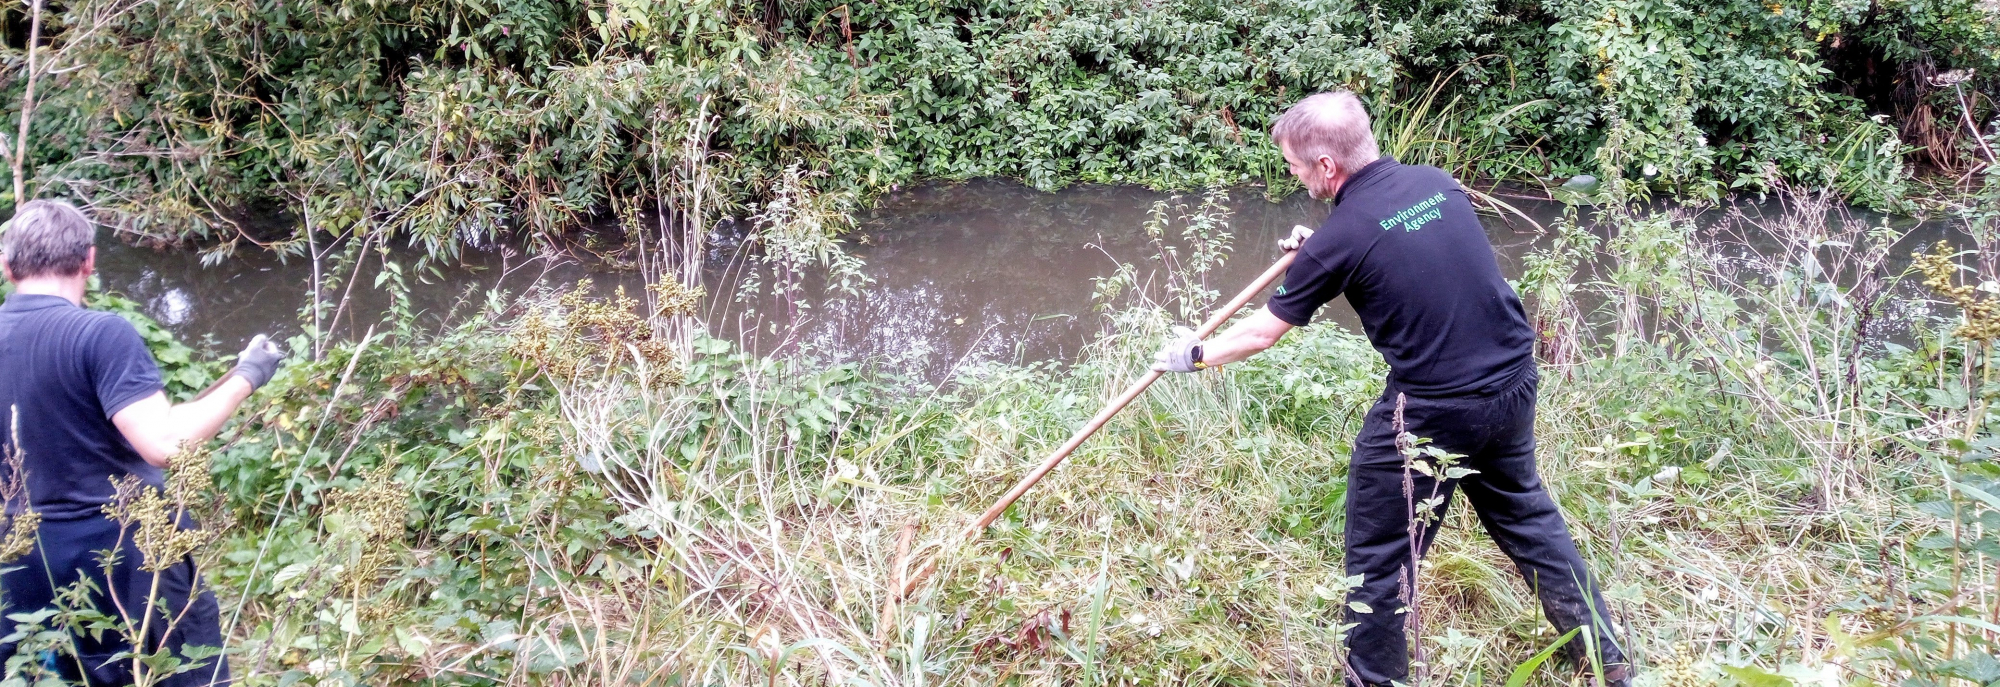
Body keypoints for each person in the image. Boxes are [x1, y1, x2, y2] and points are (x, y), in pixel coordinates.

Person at [1151, 92, 1630, 685]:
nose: (1296, 177)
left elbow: (1259, 334)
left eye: (1297, 167)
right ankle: (1607, 656)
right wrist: (1318, 251)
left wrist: (1192, 356)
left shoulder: (1341, 238)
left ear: (1326, 165)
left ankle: (1375, 679)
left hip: (1435, 410)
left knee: (1380, 558)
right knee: (1528, 519)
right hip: (1512, 383)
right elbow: (1397, 246)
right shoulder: (1438, 183)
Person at [0, 199, 285, 686]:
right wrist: (248, 374)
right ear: (89, 260)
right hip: (122, 559)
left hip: (17, 558)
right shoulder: (98, 334)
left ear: (6, 266)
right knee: (171, 672)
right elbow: (165, 444)